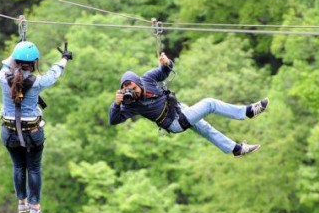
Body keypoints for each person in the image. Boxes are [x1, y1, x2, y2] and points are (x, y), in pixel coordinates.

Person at [109, 52, 268, 157]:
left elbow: (165, 71)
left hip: (180, 109)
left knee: (206, 129)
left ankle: (236, 149)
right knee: (210, 103)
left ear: (138, 83)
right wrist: (117, 104)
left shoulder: (148, 79)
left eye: (133, 88)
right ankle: (247, 112)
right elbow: (114, 120)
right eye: (128, 90)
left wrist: (166, 62)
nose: (133, 92)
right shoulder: (130, 104)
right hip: (174, 122)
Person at [0, 41, 72, 213]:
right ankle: (35, 207)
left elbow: (6, 63)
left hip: (9, 132)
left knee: (18, 166)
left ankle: (22, 202)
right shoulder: (38, 83)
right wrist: (64, 58)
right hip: (32, 133)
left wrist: (19, 45)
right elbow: (55, 73)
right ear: (34, 63)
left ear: (15, 60)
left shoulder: (2, 78)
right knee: (34, 168)